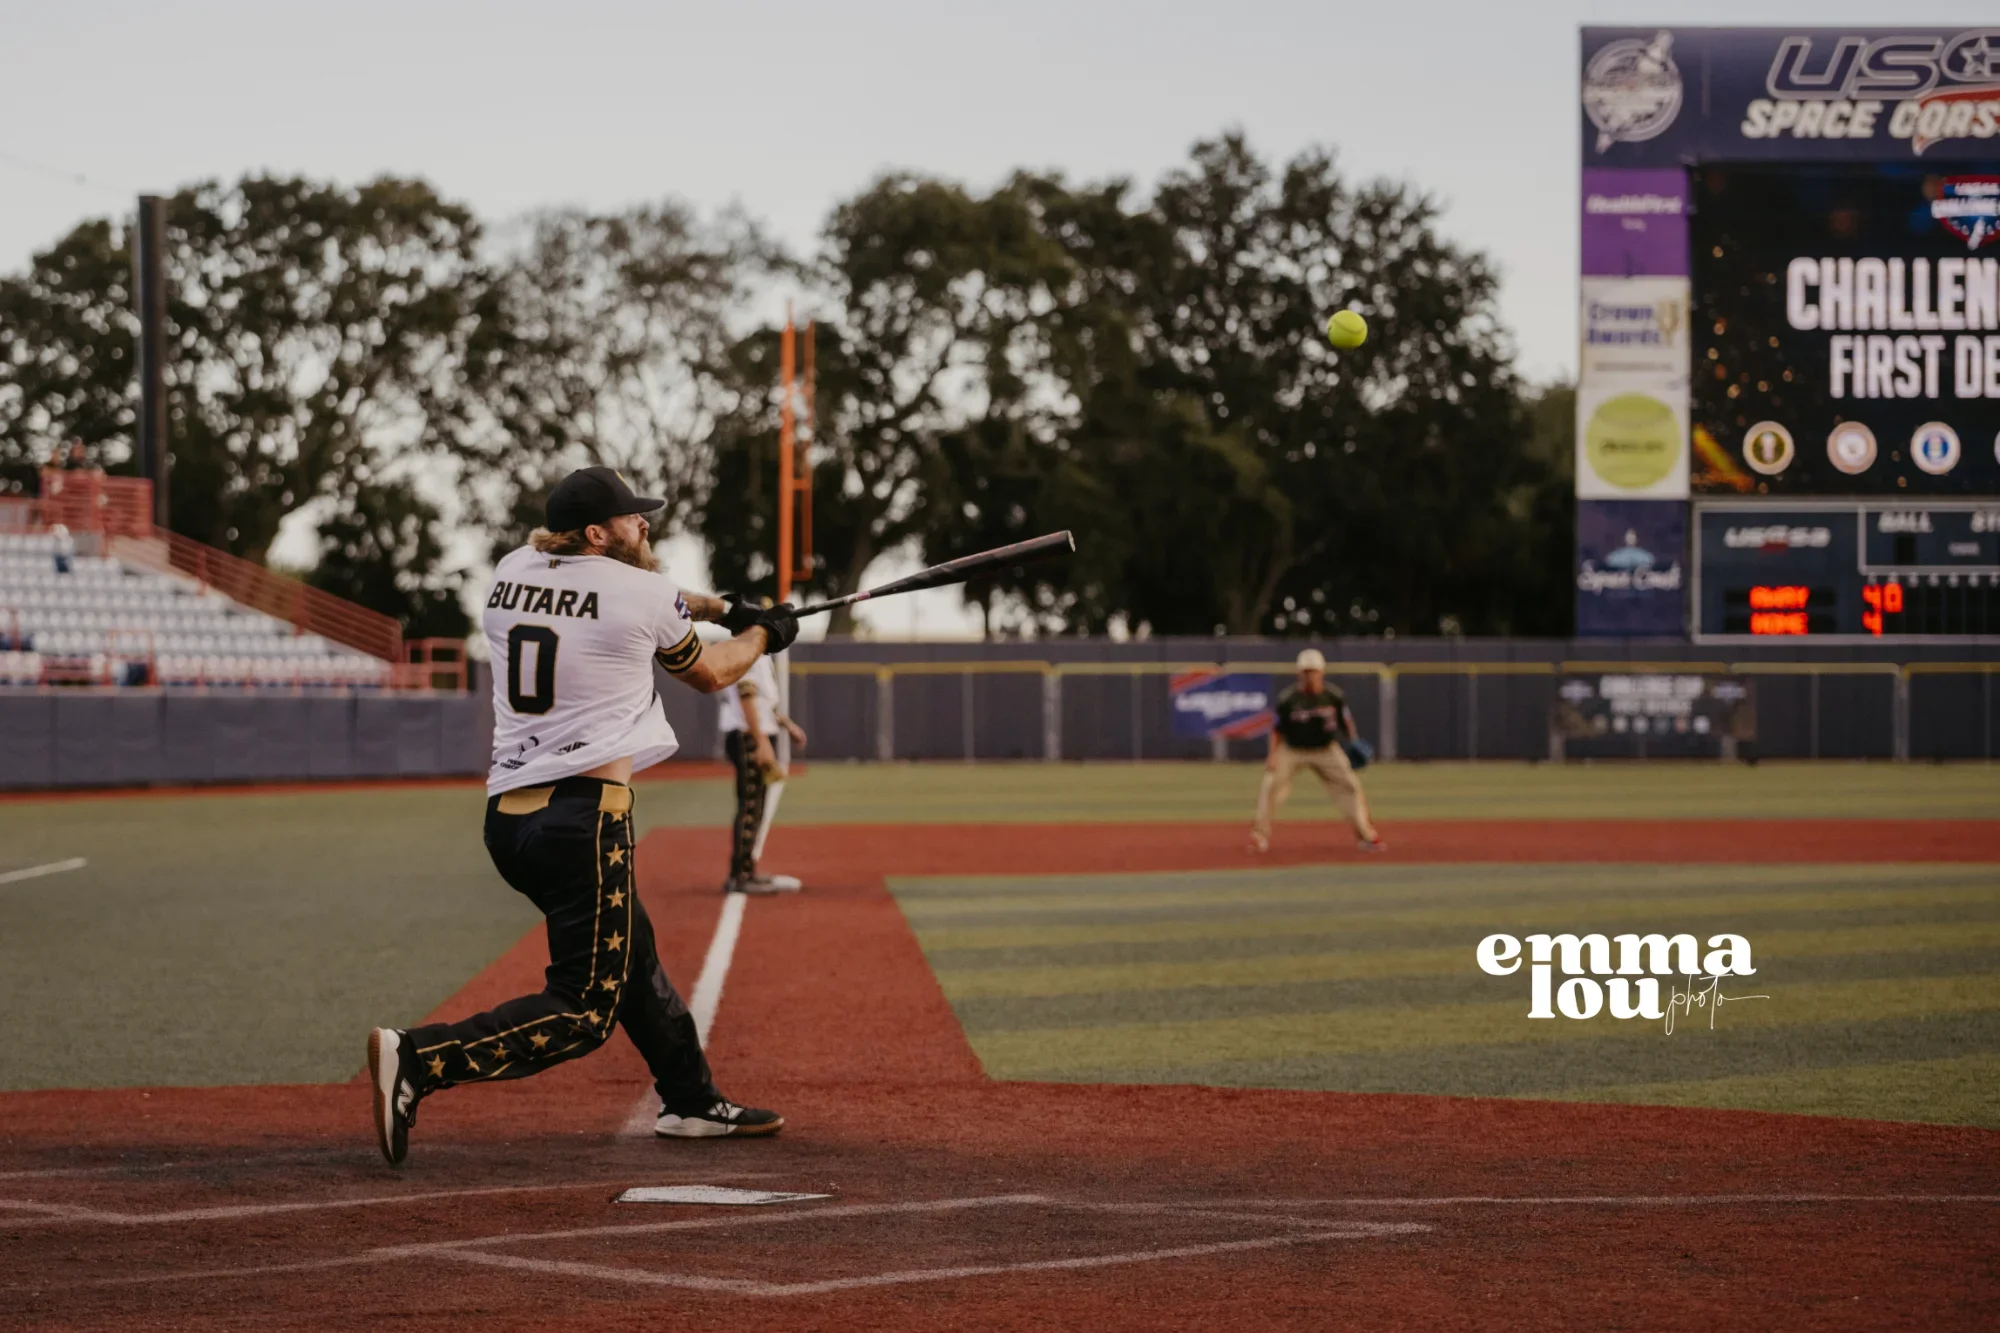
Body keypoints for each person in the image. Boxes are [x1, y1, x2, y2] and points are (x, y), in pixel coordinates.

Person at [366, 466, 799, 1166]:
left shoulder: (514, 568)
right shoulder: (643, 591)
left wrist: (724, 607)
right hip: (586, 821)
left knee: (634, 956)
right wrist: (766, 636)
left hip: (509, 820)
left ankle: (690, 1099)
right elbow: (712, 672)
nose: (645, 525)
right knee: (583, 1008)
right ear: (599, 532)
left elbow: (648, 597)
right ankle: (419, 1058)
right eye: (633, 518)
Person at [1249, 648, 1385, 854]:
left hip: (1325, 749)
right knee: (1271, 784)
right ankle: (1259, 836)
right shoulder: (1288, 699)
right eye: (1305, 671)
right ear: (1299, 673)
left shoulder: (1333, 696)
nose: (1309, 676)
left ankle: (1366, 836)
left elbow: (1346, 720)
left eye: (1313, 671)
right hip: (1293, 749)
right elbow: (1276, 730)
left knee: (1350, 786)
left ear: (1321, 672)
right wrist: (1273, 755)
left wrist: (1353, 741)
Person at [717, 647, 809, 894]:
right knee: (750, 805)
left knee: (756, 804)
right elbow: (746, 697)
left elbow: (763, 702)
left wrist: (786, 725)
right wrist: (760, 741)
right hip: (748, 736)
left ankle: (746, 870)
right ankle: (741, 875)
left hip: (755, 734)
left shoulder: (758, 656)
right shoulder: (747, 653)